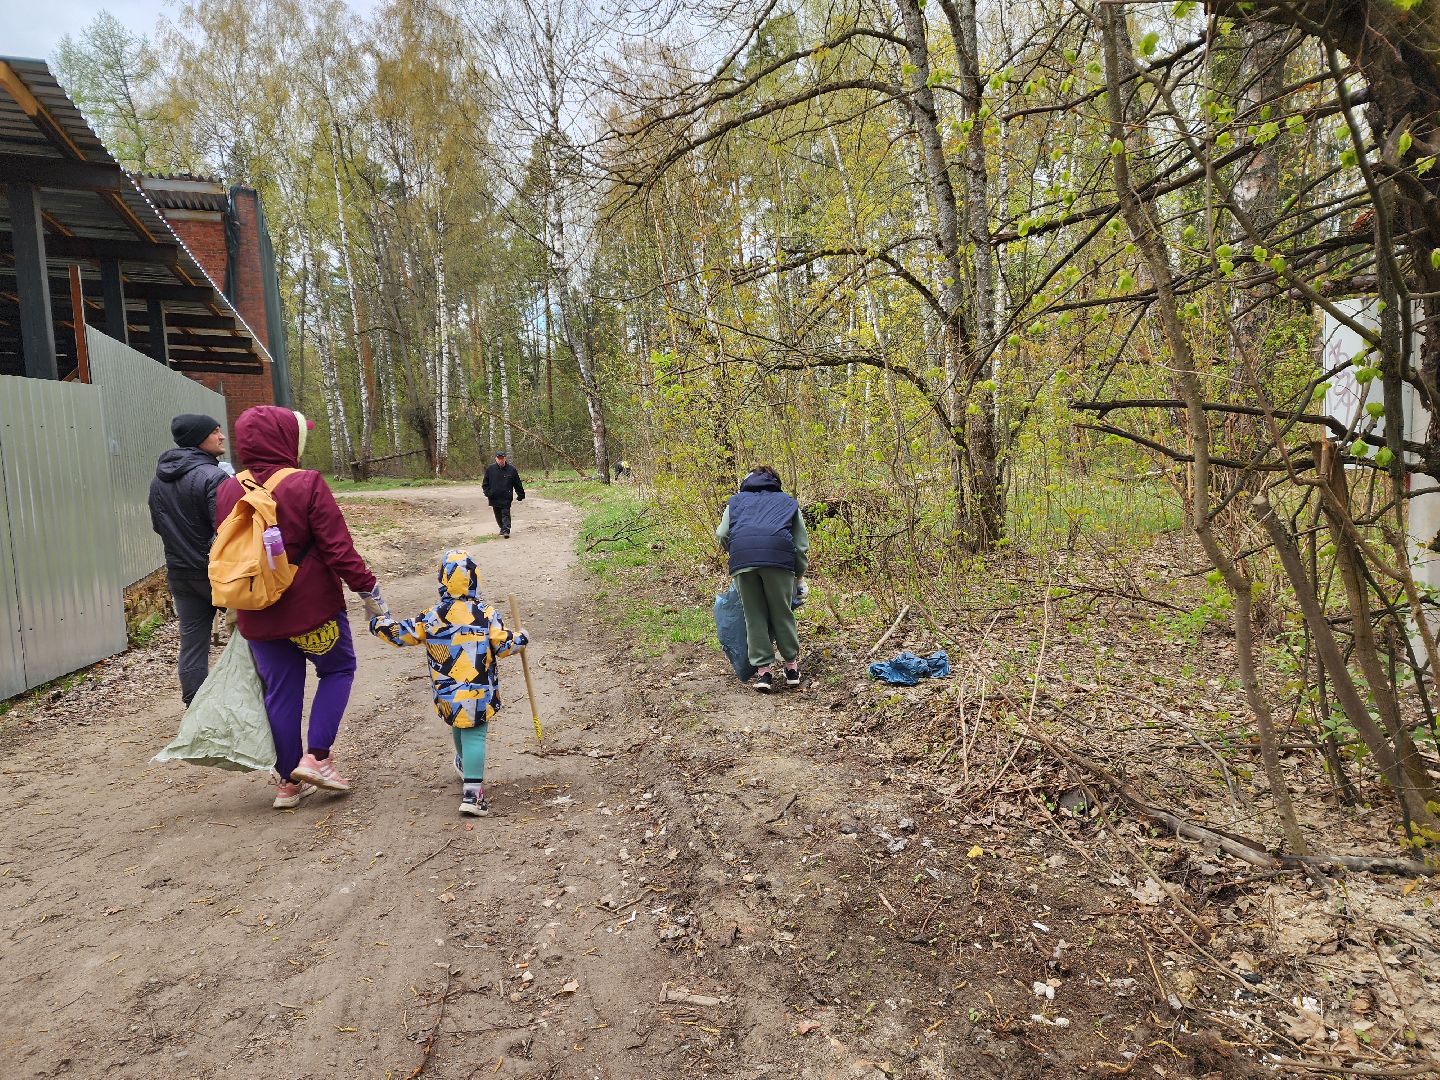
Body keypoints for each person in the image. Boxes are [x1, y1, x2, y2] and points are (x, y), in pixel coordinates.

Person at [213, 406, 387, 809]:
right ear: (286, 439)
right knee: (338, 669)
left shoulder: (227, 489)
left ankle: (288, 781)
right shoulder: (305, 483)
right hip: (311, 610)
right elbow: (338, 549)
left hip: (256, 611)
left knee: (281, 691)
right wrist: (369, 592)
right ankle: (318, 758)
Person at [369, 549, 529, 817]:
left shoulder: (432, 616)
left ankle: (464, 762)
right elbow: (503, 645)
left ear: (442, 580)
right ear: (474, 578)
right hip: (479, 689)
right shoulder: (486, 613)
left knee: (458, 723)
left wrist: (378, 621)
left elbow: (401, 634)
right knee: (474, 731)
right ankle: (473, 795)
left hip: (447, 691)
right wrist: (522, 637)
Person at [148, 414, 229, 705]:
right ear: (199, 438)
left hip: (180, 573)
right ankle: (253, 705)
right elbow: (226, 528)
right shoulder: (214, 477)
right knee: (248, 636)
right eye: (215, 432)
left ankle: (195, 708)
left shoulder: (158, 480)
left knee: (193, 642)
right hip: (217, 573)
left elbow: (159, 525)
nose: (221, 437)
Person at [715, 466, 810, 693]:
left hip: (744, 561)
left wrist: (738, 550)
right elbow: (801, 544)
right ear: (775, 482)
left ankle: (764, 673)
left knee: (753, 616)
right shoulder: (788, 502)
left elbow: (721, 534)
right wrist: (799, 576)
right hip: (779, 561)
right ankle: (791, 668)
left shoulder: (736, 502)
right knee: (782, 612)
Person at [482, 451, 525, 538]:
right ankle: (502, 527)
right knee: (498, 514)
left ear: (505, 458)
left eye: (502, 458)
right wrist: (488, 493)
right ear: (496, 459)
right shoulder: (490, 469)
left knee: (505, 513)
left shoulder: (511, 469)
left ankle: (506, 530)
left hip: (506, 496)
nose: (501, 460)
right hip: (494, 496)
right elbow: (485, 483)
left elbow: (517, 483)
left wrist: (520, 494)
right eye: (499, 458)